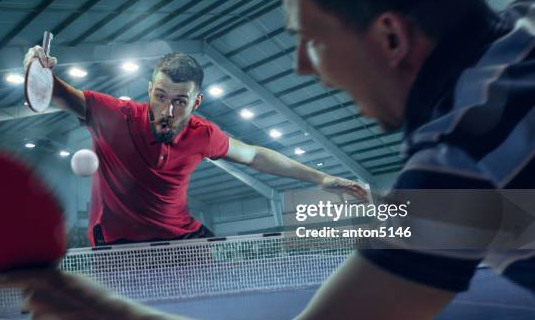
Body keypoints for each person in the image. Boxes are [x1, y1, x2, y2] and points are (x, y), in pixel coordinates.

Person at [0, 0, 535, 320]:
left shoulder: (455, 167)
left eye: (313, 40)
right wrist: (41, 77)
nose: (300, 65)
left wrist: (104, 317)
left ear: (390, 37)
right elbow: (56, 95)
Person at [23, 50, 366, 246]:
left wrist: (321, 179)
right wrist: (36, 65)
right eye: (160, 96)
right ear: (150, 89)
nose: (167, 111)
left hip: (183, 240)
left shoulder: (203, 135)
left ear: (197, 102)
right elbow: (54, 90)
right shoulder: (116, 116)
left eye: (180, 101)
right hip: (120, 245)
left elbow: (255, 154)